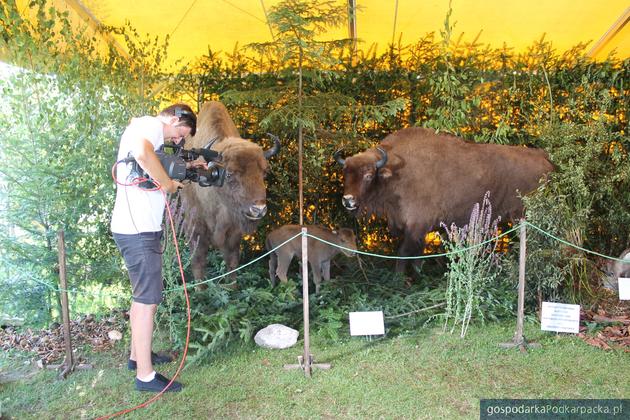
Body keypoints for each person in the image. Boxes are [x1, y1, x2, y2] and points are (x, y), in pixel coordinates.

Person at [110, 103, 198, 392]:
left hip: (138, 229)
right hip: (138, 232)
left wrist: (188, 169)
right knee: (148, 300)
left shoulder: (154, 135)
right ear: (174, 118)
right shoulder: (148, 125)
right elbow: (143, 153)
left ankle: (138, 357)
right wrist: (168, 185)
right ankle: (146, 377)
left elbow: (155, 164)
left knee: (142, 298)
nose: (179, 140)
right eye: (180, 133)